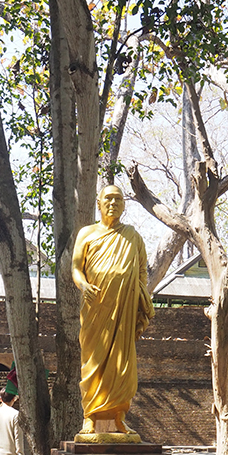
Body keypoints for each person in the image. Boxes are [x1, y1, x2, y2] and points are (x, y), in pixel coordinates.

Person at [72, 184, 154, 435]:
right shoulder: (86, 233)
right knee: (92, 364)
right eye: (108, 198)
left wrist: (141, 300)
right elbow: (76, 268)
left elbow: (141, 274)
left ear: (124, 205)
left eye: (118, 199)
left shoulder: (133, 236)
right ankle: (90, 417)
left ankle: (119, 417)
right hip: (95, 310)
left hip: (124, 311)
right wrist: (83, 285)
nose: (113, 203)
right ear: (98, 203)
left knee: (122, 367)